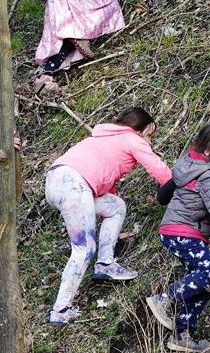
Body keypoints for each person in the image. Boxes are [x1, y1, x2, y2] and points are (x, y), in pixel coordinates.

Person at [44, 107, 172, 326]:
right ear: (141, 130)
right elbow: (158, 169)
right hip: (75, 184)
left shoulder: (106, 136)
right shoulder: (132, 139)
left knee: (115, 206)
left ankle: (105, 263)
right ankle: (61, 309)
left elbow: (105, 184)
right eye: (150, 135)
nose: (150, 141)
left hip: (56, 181)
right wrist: (180, 188)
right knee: (84, 249)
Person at [146, 125, 210, 353]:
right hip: (182, 232)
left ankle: (182, 335)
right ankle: (164, 299)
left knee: (205, 283)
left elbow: (163, 195)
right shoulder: (209, 176)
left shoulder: (191, 166)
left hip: (177, 232)